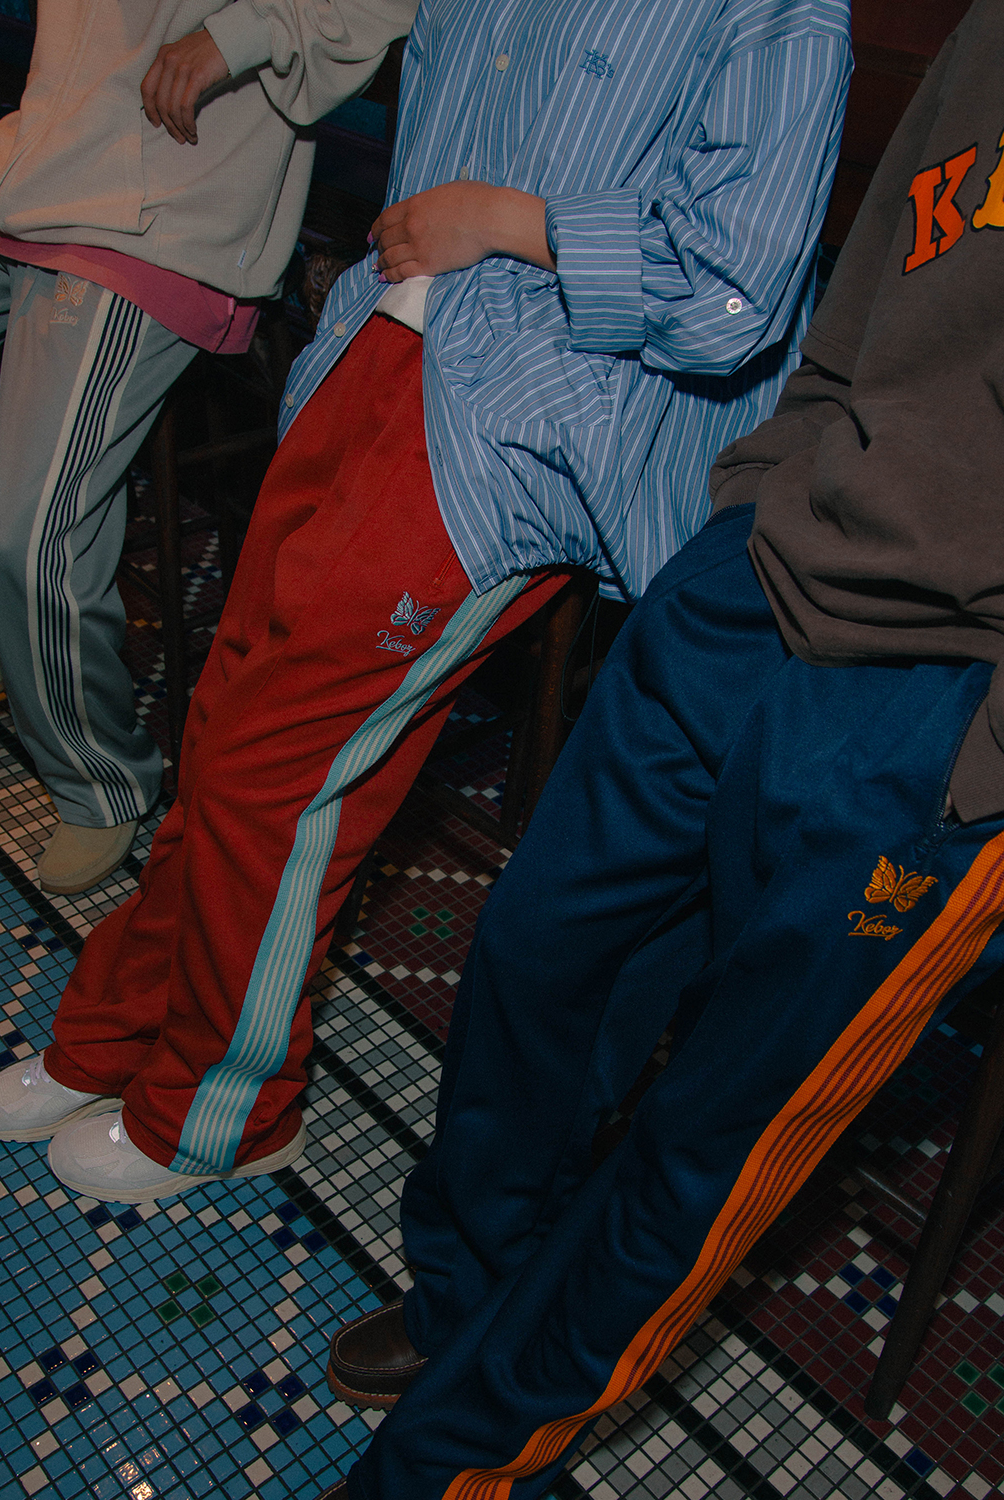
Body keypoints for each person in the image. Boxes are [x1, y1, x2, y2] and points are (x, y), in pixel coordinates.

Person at [0, 0, 852, 1201]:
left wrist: (507, 220)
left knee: (282, 774)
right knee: (223, 737)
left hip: (526, 407)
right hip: (374, 348)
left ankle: (229, 1108)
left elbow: (732, 292)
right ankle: (114, 1035)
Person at [317, 2, 1004, 1495]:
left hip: (946, 712)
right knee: (538, 962)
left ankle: (455, 1461)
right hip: (753, 582)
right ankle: (467, 1310)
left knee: (707, 1145)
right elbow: (870, 291)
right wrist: (748, 503)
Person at [0, 0, 414, 894]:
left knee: (30, 527)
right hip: (28, 166)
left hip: (152, 213)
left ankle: (101, 783)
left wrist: (239, 33)